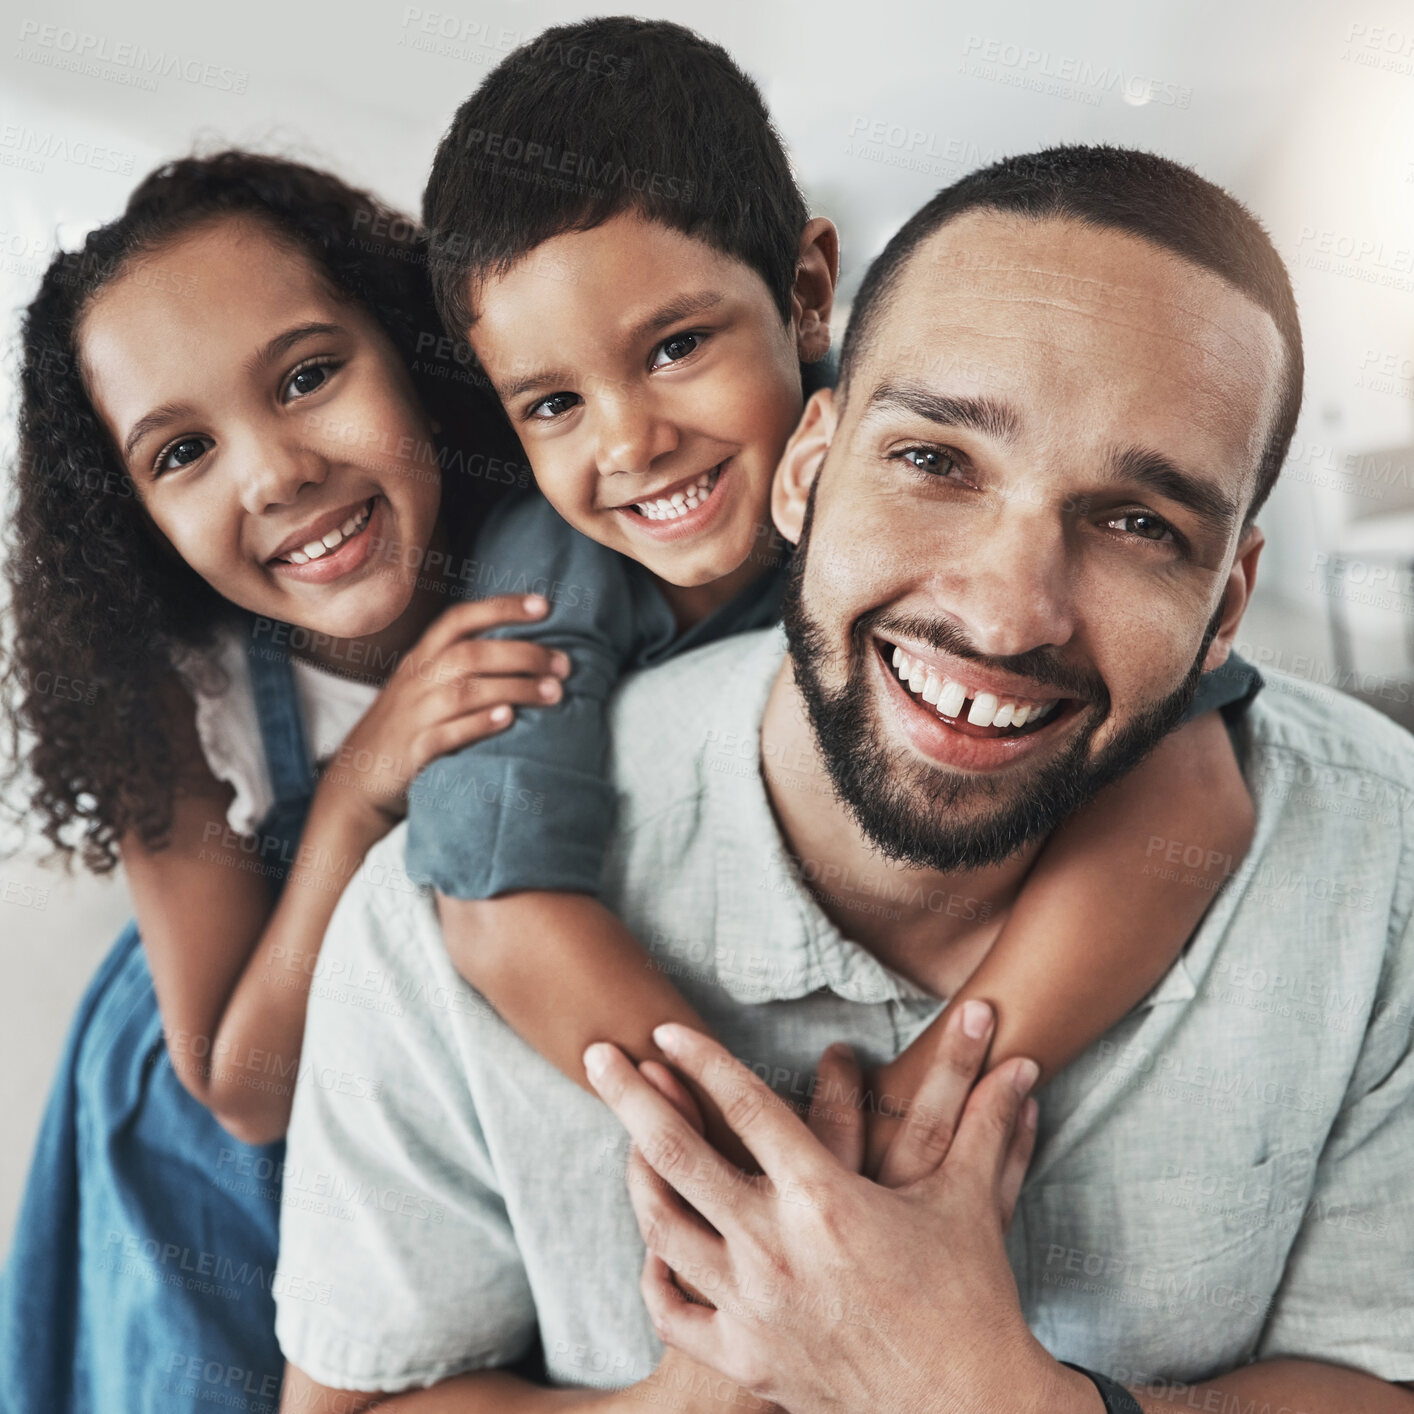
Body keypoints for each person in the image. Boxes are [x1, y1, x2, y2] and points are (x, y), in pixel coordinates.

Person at [272, 149, 1414, 1409]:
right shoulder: (417, 924)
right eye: (933, 460)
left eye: (1140, 526)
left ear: (1225, 609)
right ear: (807, 471)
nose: (1004, 611)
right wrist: (723, 1371)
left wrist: (992, 1398)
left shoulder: (1382, 860)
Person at [405, 15, 1261, 1171]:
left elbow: (1194, 793)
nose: (629, 441)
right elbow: (502, 913)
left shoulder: (929, 427)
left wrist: (908, 1120)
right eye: (552, 403)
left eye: (672, 348)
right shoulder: (539, 582)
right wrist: (771, 1169)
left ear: (808, 292)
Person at [0, 152, 564, 1414]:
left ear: (410, 345)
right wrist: (361, 786)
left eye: (310, 377)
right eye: (182, 451)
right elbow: (240, 1090)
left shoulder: (550, 532)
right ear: (131, 512)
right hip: (221, 1130)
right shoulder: (172, 684)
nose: (274, 473)